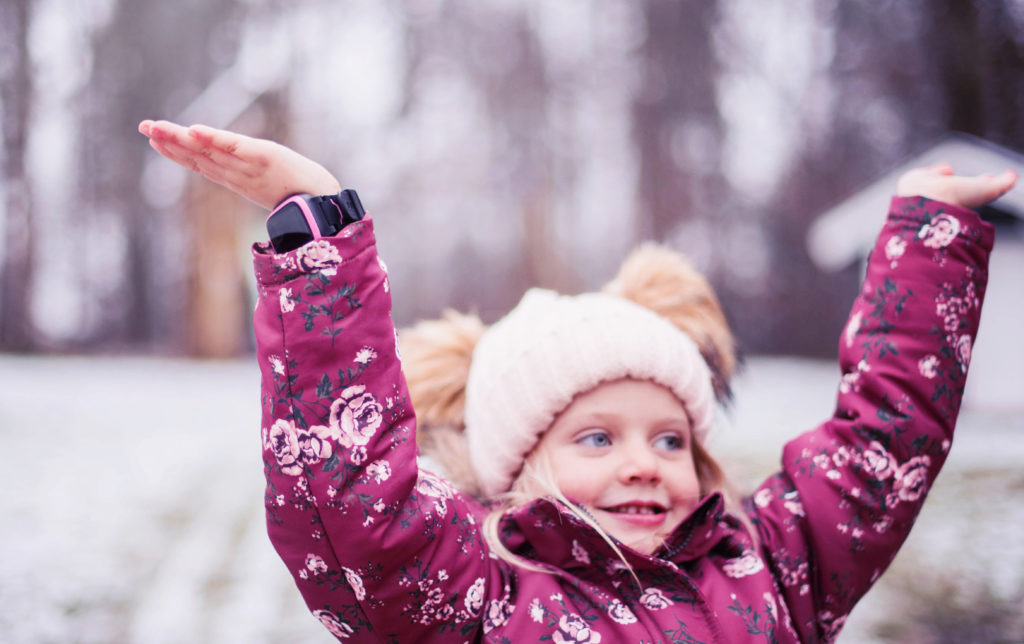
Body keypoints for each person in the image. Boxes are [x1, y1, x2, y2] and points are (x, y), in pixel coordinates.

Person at [139, 119, 1015, 643]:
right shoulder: (473, 599)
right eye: (597, 436)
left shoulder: (774, 564)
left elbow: (882, 445)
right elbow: (352, 505)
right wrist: (318, 227)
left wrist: (930, 237)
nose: (645, 463)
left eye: (670, 437)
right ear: (519, 466)